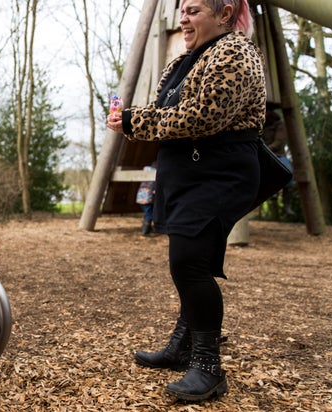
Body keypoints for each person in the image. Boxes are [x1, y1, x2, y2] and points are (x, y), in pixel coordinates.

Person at [107, 0, 265, 402]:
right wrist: (136, 119)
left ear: (225, 12)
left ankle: (209, 367)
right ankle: (183, 345)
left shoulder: (236, 53)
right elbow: (166, 112)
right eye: (181, 9)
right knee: (192, 263)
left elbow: (201, 118)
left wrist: (134, 121)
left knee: (188, 264)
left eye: (193, 9)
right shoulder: (187, 59)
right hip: (190, 174)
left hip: (220, 173)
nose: (183, 18)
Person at [262, 104, 295, 216]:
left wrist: (265, 149)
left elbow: (279, 142)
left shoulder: (279, 125)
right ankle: (272, 193)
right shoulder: (260, 124)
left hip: (278, 155)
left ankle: (287, 205)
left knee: (288, 174)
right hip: (264, 155)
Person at [136, 162, 157, 237]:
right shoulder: (154, 174)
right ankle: (145, 232)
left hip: (141, 197)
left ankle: (147, 228)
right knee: (149, 214)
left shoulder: (145, 172)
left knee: (148, 213)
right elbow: (154, 186)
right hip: (147, 198)